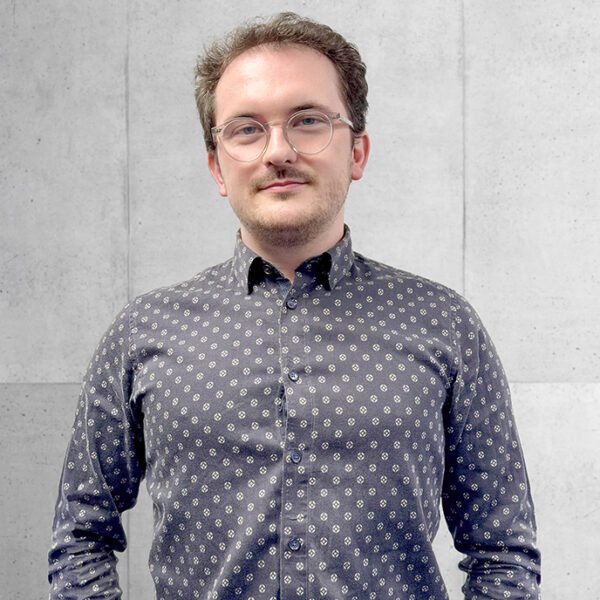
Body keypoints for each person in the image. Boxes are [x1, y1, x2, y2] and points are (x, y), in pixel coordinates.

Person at [48, 12, 541, 600]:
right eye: (247, 129)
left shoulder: (444, 324)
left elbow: (503, 551)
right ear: (217, 167)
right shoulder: (142, 333)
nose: (278, 151)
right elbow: (80, 535)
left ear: (356, 152)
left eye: (308, 121)